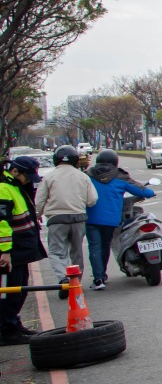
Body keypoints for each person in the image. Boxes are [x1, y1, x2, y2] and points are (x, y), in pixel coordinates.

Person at [86, 149, 155, 291]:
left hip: (90, 218)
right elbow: (142, 191)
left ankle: (98, 278)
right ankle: (102, 275)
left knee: (94, 246)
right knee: (105, 245)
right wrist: (151, 192)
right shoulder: (120, 176)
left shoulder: (88, 175)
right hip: (111, 220)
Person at [0, 156, 48, 345]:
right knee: (10, 292)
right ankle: (7, 329)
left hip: (20, 250)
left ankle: (13, 323)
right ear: (14, 171)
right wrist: (5, 251)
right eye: (26, 176)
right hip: (11, 251)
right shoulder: (3, 188)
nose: (28, 180)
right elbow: (2, 223)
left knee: (20, 289)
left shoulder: (15, 186)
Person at [35, 145, 98, 286]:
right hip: (78, 218)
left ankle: (63, 278)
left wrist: (38, 214)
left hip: (56, 219)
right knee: (77, 251)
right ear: (75, 160)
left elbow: (39, 200)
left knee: (56, 251)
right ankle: (75, 282)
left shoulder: (49, 177)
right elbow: (92, 199)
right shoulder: (83, 177)